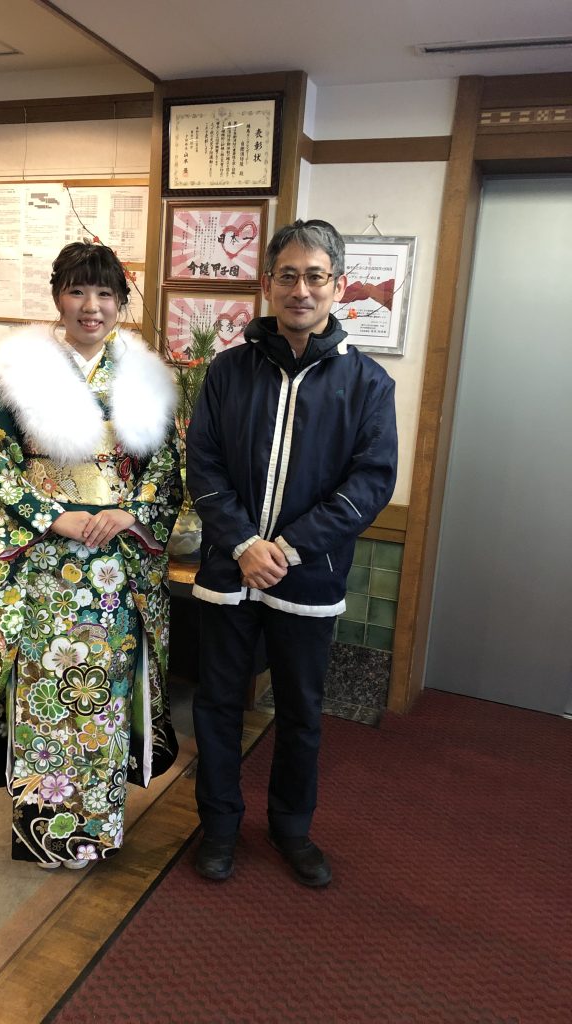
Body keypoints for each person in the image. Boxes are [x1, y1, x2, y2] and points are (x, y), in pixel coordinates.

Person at [186, 219, 397, 886]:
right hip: (230, 570)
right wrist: (245, 544)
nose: (300, 289)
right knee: (218, 704)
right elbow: (203, 465)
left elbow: (371, 482)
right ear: (267, 283)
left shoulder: (367, 383)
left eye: (315, 276)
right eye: (288, 276)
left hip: (308, 577)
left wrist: (288, 548)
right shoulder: (228, 371)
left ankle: (291, 828)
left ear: (338, 285)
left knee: (301, 713)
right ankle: (219, 827)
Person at [0, 241, 182, 869]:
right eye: (78, 291)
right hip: (44, 569)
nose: (92, 306)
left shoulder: (142, 378)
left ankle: (95, 833)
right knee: (43, 697)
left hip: (114, 569)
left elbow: (166, 469)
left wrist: (130, 512)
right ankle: (41, 832)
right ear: (58, 297)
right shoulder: (24, 373)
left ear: (120, 303)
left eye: (106, 294)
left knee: (101, 702)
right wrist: (49, 515)